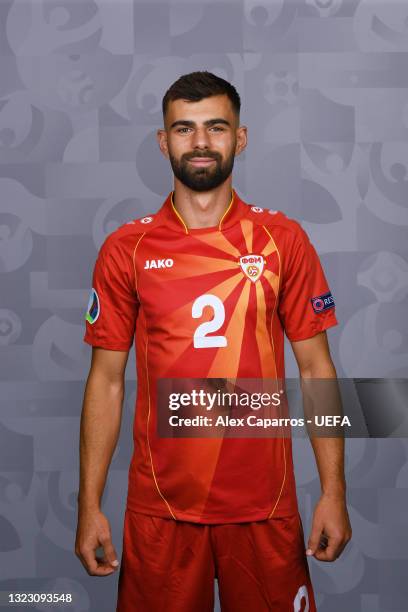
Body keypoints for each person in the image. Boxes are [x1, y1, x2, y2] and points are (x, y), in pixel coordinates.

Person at [75, 71, 352, 611]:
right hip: (161, 510)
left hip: (265, 508)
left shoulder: (283, 240)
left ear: (239, 138)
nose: (200, 142)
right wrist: (89, 506)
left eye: (215, 127)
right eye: (184, 128)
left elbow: (317, 371)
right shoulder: (126, 248)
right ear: (164, 142)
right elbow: (107, 381)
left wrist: (334, 494)